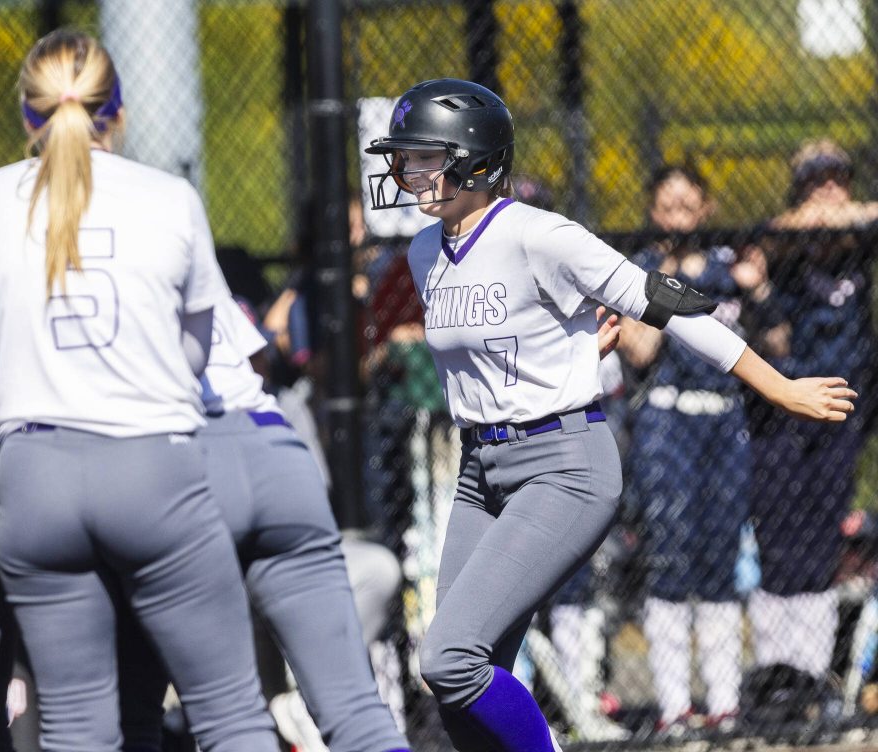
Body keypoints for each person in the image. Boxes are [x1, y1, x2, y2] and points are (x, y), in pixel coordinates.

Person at [363, 78, 857, 752]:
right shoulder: (426, 251)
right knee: (461, 682)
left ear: (473, 159)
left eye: (420, 156)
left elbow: (667, 300)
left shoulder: (541, 235)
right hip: (482, 470)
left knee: (449, 657)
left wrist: (779, 386)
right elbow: (495, 350)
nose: (403, 171)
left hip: (562, 466)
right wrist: (565, 351)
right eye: (402, 157)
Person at [0, 29, 277, 751]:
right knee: (227, 711)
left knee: (75, 726)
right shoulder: (168, 194)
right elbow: (199, 346)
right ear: (117, 112)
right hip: (150, 464)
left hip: (35, 475)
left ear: (28, 115)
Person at [118, 294, 410, 752]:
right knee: (356, 713)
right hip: (265, 444)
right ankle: (285, 710)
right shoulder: (178, 235)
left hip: (178, 453)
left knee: (221, 718)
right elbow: (254, 358)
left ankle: (283, 709)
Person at [742, 138, 878, 701]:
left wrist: (842, 215)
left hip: (846, 406)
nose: (828, 187)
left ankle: (814, 678)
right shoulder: (782, 243)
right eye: (815, 177)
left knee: (824, 542)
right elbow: (761, 243)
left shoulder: (858, 244)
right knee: (779, 540)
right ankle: (779, 675)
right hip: (785, 407)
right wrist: (809, 220)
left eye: (837, 176)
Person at [618, 165, 751, 733]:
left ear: (706, 208)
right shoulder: (643, 270)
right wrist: (665, 280)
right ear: (654, 212)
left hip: (723, 421)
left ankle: (724, 702)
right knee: (669, 557)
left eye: (687, 205)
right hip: (667, 420)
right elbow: (639, 353)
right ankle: (674, 705)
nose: (677, 217)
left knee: (720, 561)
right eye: (666, 206)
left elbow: (762, 343)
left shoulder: (728, 271)